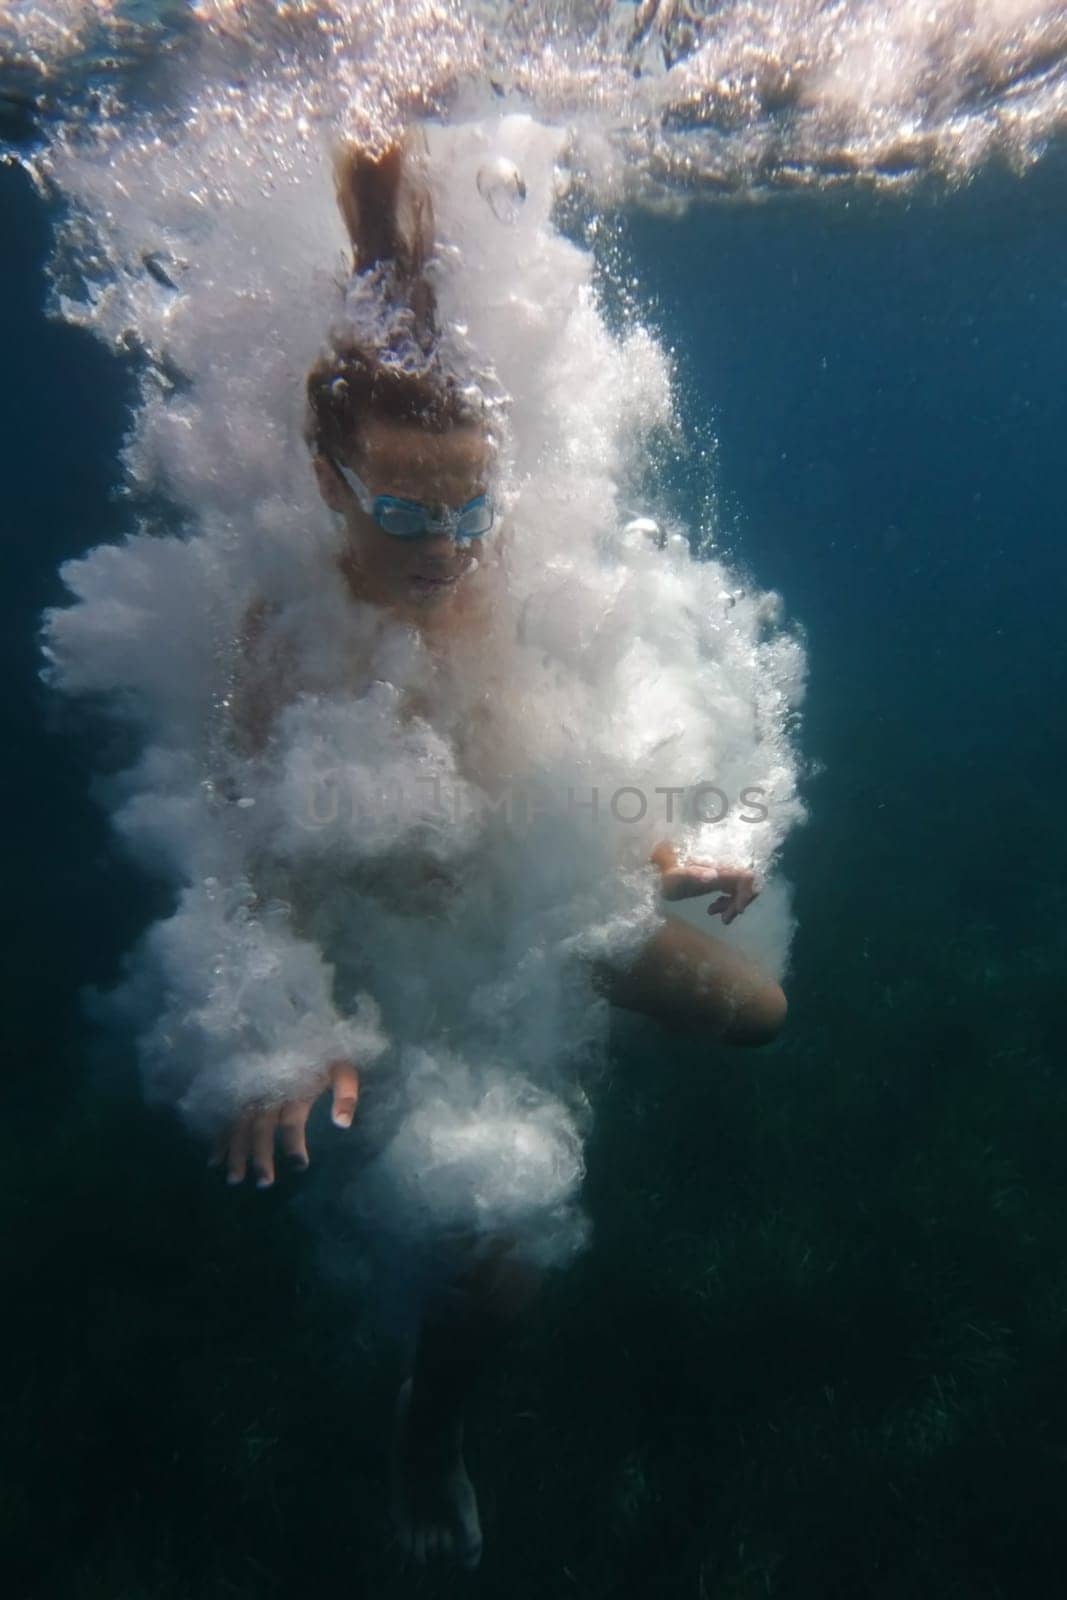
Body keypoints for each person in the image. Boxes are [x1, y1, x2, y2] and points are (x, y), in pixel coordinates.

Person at [209, 136, 787, 1570]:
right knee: (504, 1266)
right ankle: (430, 1427)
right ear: (332, 482)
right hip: (402, 957)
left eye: (470, 506)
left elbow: (544, 747)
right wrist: (295, 1023)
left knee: (757, 1014)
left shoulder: (494, 566)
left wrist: (652, 850)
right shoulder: (288, 641)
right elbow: (249, 848)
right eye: (405, 509)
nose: (444, 543)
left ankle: (568, 1024)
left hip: (531, 895)